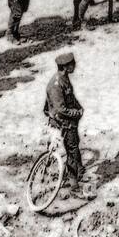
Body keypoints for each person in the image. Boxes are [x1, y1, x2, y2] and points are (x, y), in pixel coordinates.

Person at [45, 51, 89, 196]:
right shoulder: (56, 84)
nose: (75, 66)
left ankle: (79, 169)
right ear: (64, 67)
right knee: (72, 150)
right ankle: (73, 185)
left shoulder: (64, 78)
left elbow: (71, 97)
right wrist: (76, 113)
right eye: (72, 64)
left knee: (74, 144)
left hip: (68, 120)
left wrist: (78, 106)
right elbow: (60, 109)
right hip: (61, 121)